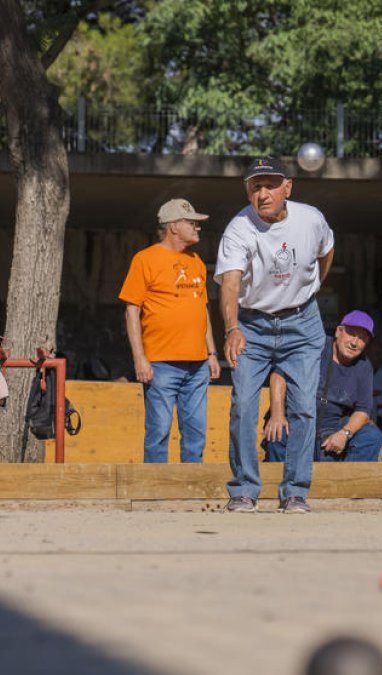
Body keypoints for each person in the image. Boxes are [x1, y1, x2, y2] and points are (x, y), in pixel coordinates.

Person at [216, 156, 335, 514]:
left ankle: (295, 491)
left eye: (270, 185)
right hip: (252, 322)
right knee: (244, 406)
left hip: (303, 321)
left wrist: (309, 288)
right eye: (255, 186)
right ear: (248, 192)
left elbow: (326, 253)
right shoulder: (239, 228)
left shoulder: (311, 219)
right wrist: (232, 328)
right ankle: (244, 490)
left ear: (288, 187)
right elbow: (231, 283)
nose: (263, 193)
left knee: (304, 408)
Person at [119, 198, 220, 464]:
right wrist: (140, 358)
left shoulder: (197, 261)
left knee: (196, 433)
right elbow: (131, 311)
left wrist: (211, 353)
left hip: (198, 364)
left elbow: (203, 308)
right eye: (192, 223)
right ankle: (155, 495)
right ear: (173, 226)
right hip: (160, 363)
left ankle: (190, 492)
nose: (198, 228)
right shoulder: (145, 259)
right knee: (159, 432)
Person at [263, 310, 382, 463]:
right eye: (351, 334)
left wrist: (344, 434)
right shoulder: (314, 346)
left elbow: (363, 410)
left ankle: (347, 485)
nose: (354, 342)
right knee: (277, 432)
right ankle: (283, 486)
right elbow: (279, 376)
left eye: (362, 338)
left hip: (332, 430)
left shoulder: (364, 366)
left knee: (372, 436)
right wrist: (277, 416)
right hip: (295, 420)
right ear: (339, 331)